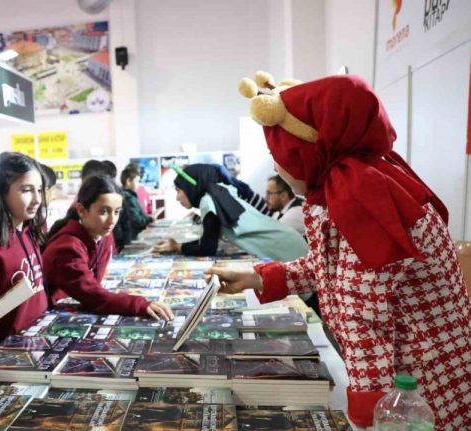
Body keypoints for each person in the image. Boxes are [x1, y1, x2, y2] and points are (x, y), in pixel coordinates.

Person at [207, 73, 471, 429]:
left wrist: (365, 415)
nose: (275, 166)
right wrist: (256, 276)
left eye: (278, 152)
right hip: (417, 372)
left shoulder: (361, 198)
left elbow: (365, 321)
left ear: (308, 149)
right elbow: (330, 269)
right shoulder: (352, 185)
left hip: (416, 388)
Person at [43, 175, 173, 320]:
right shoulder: (67, 247)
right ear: (81, 210)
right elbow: (93, 296)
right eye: (104, 211)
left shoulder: (104, 235)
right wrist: (140, 304)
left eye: (117, 212)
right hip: (50, 312)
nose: (112, 220)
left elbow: (94, 287)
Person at [152, 164, 308, 262]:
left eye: (179, 191)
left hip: (285, 249)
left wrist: (178, 247)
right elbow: (209, 238)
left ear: (192, 187)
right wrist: (178, 245)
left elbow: (207, 248)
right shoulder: (220, 193)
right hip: (288, 241)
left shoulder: (209, 202)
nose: (177, 197)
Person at [0, 152, 49, 344]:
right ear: (2, 193)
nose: (37, 199)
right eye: (26, 190)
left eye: (39, 190)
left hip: (39, 336)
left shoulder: (29, 234)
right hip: (10, 349)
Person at [120, 163, 156, 239]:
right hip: (132, 236)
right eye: (137, 181)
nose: (139, 184)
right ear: (128, 181)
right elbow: (136, 220)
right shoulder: (128, 198)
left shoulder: (129, 196)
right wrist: (150, 218)